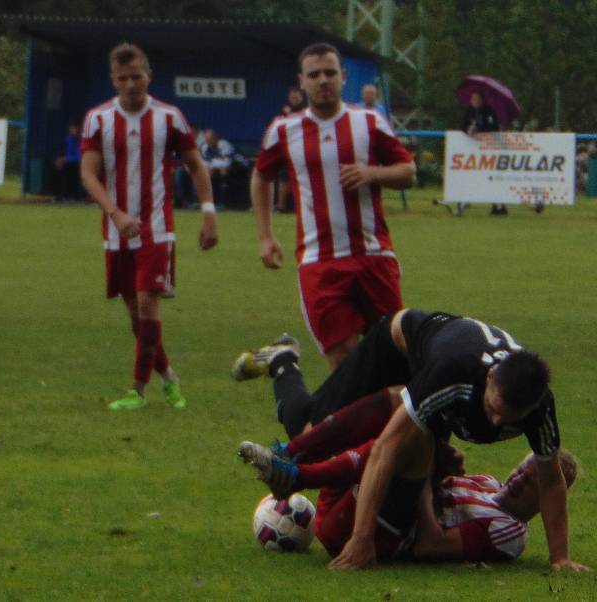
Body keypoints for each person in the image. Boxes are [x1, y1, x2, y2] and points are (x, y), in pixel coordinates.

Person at [232, 309, 589, 571]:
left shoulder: (539, 408)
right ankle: (285, 392)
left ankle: (293, 459)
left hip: (438, 369)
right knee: (315, 433)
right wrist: (362, 538)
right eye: (493, 409)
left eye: (507, 419)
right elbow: (388, 445)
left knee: (416, 441)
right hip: (397, 346)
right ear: (492, 376)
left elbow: (552, 475)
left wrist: (560, 558)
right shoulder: (453, 375)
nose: (494, 424)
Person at [250, 43, 415, 370]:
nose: (323, 80)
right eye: (314, 74)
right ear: (302, 81)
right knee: (341, 356)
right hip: (319, 261)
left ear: (344, 77)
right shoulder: (283, 130)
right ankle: (361, 418)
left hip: (373, 255)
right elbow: (261, 177)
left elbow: (408, 172)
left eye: (329, 73)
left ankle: (387, 415)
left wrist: (372, 173)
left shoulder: (369, 122)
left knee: (393, 354)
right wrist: (265, 236)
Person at [80, 43, 219, 410]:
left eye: (137, 76)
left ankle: (137, 390)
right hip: (116, 230)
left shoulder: (170, 117)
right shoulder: (98, 119)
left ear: (149, 76)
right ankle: (170, 379)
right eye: (123, 78)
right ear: (113, 79)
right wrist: (116, 213)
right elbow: (88, 174)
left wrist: (208, 212)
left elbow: (196, 165)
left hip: (157, 228)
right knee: (135, 318)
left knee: (147, 304)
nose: (130, 84)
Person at [239, 433, 579, 564]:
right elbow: (434, 489)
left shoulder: (510, 533)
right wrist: (441, 468)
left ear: (546, 503)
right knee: (385, 429)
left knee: (402, 444)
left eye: (530, 482)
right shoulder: (487, 482)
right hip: (344, 513)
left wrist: (423, 473)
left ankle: (295, 476)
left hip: (370, 534)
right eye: (521, 469)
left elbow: (430, 545)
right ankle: (285, 369)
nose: (517, 479)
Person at [461, 91, 505, 215]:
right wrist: (468, 130)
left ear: (482, 99)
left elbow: (493, 127)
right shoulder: (469, 111)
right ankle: (465, 201)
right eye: (472, 98)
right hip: (473, 151)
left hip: (489, 150)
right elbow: (463, 125)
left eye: (477, 98)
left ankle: (498, 205)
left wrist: (480, 129)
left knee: (492, 177)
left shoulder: (488, 111)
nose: (474, 100)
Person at [53, 120, 83, 203]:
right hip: (68, 163)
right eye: (73, 128)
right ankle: (60, 197)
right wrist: (60, 159)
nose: (75, 130)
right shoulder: (67, 139)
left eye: (76, 128)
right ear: (70, 129)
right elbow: (62, 153)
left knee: (78, 169)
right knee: (59, 167)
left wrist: (66, 159)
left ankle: (76, 196)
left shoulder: (82, 139)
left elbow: (80, 156)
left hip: (79, 163)